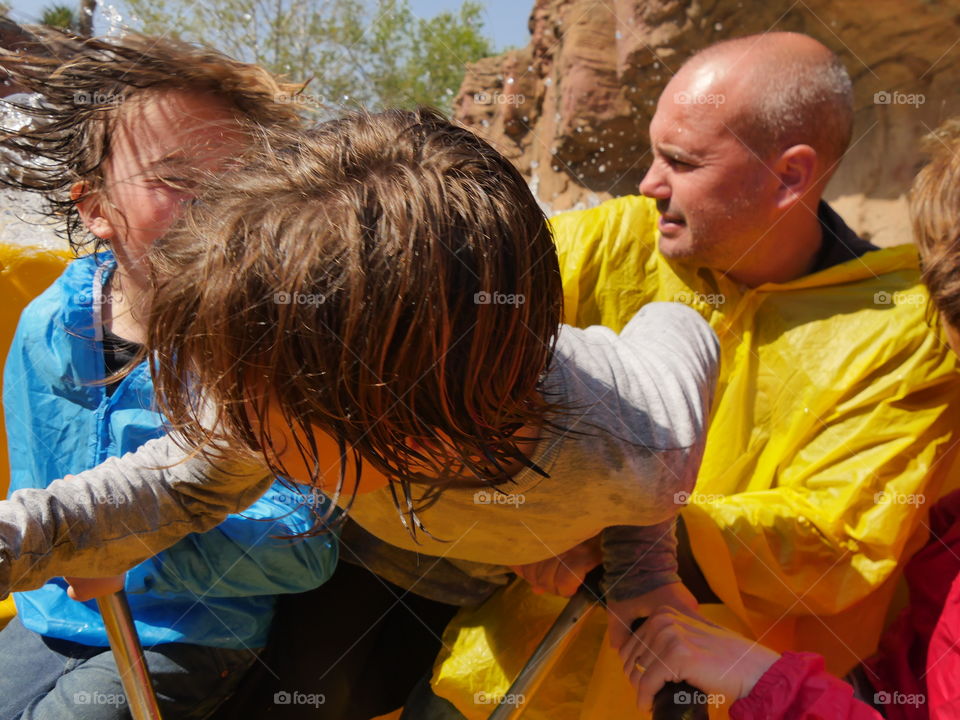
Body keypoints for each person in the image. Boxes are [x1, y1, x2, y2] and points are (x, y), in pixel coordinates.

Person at [0, 107, 719, 709]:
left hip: (490, 541)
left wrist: (642, 576)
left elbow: (680, 326)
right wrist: (20, 539)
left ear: (397, 425)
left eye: (254, 413)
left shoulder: (636, 445)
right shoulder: (281, 394)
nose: (229, 422)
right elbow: (169, 485)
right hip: (382, 533)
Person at [0, 31, 338, 719]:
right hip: (50, 616)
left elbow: (307, 546)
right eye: (175, 182)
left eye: (238, 187)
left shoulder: (270, 347)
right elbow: (37, 492)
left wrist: (141, 553)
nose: (209, 212)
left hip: (194, 628)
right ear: (94, 207)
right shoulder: (44, 327)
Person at [622, 116, 960, 720]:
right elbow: (913, 685)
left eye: (683, 161)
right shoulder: (627, 242)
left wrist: (762, 679)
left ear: (791, 175)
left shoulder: (903, 326)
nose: (651, 184)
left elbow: (839, 536)